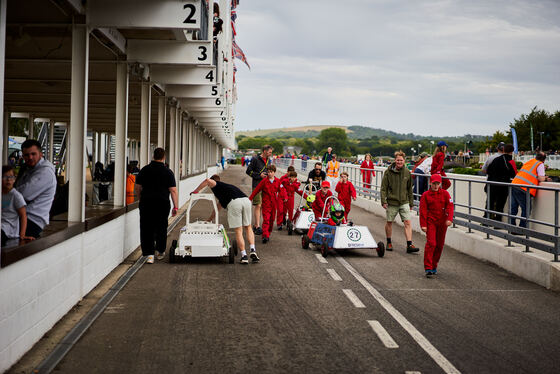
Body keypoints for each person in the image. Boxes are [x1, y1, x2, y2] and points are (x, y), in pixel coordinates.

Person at [192, 175, 259, 264]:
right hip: (246, 200)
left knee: (239, 231)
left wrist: (195, 191)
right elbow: (216, 209)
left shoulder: (217, 185)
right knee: (248, 227)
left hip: (234, 203)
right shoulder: (225, 190)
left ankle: (244, 256)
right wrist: (209, 220)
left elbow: (207, 180)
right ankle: (253, 250)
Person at [135, 148, 178, 264]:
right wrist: (176, 207)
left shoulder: (144, 170)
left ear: (153, 156)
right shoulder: (168, 172)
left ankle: (149, 255)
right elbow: (173, 191)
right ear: (164, 158)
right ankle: (160, 251)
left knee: (146, 227)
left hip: (146, 203)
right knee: (161, 226)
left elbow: (137, 188)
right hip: (162, 203)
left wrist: (141, 199)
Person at [14, 139, 57, 238]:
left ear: (41, 154)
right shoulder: (28, 169)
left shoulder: (45, 172)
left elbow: (24, 194)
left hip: (33, 220)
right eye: (26, 155)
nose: (30, 157)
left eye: (33, 154)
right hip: (22, 217)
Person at [380, 151, 418, 253]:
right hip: (392, 202)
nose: (399, 162)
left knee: (407, 222)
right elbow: (384, 188)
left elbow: (410, 189)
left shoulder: (407, 172)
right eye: (398, 160)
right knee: (389, 222)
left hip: (404, 201)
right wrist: (383, 201)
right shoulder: (388, 172)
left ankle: (409, 245)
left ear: (404, 161)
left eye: (401, 160)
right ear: (395, 160)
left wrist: (411, 203)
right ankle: (389, 242)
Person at [419, 174, 454, 277]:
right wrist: (423, 224)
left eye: (437, 183)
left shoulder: (445, 194)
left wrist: (449, 219)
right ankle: (428, 267)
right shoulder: (426, 195)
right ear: (430, 183)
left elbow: (450, 206)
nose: (435, 186)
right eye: (434, 183)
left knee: (439, 245)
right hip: (431, 222)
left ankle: (434, 265)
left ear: (440, 184)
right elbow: (423, 210)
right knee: (431, 243)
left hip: (442, 222)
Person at [510, 152, 550, 229]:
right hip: (524, 188)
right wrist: (545, 178)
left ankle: (512, 227)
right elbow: (541, 178)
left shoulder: (530, 161)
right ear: (544, 160)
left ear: (536, 157)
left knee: (513, 208)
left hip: (514, 184)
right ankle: (522, 228)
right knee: (526, 208)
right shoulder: (540, 164)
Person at [248, 165, 286, 243]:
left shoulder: (278, 181)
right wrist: (250, 199)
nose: (269, 174)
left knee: (272, 220)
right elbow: (257, 190)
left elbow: (282, 190)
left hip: (274, 203)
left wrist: (285, 197)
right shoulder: (264, 181)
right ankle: (265, 235)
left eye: (271, 172)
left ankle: (268, 232)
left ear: (274, 172)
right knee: (266, 219)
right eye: (268, 172)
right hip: (266, 203)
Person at [2, 165, 34, 246]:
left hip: (8, 231)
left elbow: (23, 215)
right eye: (5, 177)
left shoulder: (16, 196)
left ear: (14, 179)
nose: (8, 179)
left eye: (11, 177)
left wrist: (22, 235)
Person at [485, 144, 516, 222]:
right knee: (500, 204)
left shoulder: (495, 160)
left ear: (503, 150)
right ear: (512, 151)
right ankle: (498, 221)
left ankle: (486, 221)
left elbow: (488, 171)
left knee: (490, 203)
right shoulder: (511, 161)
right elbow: (515, 175)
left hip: (491, 184)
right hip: (503, 186)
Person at [246, 145, 273, 235]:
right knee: (258, 205)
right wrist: (259, 175)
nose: (270, 153)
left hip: (266, 185)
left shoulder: (269, 160)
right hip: (257, 185)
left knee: (262, 206)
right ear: (264, 151)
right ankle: (257, 226)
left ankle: (257, 224)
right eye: (269, 152)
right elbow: (248, 171)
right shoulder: (255, 159)